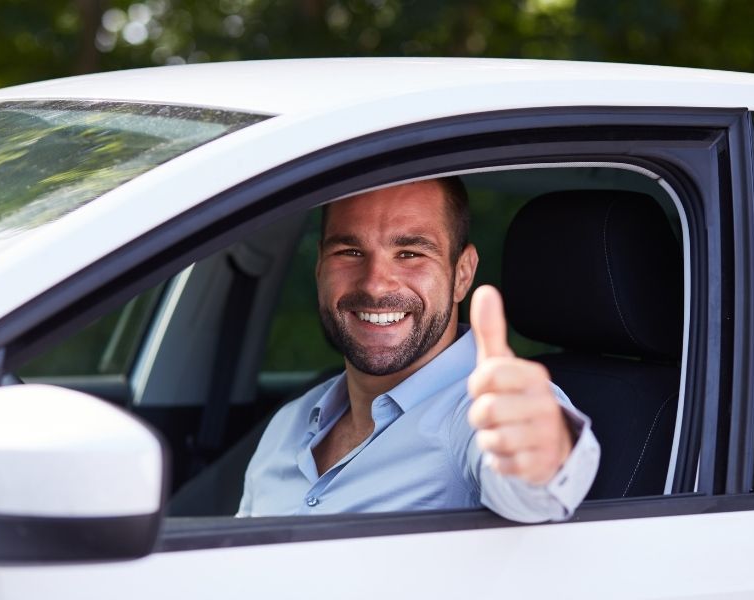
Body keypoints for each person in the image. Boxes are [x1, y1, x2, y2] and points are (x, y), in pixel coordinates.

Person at [237, 177, 599, 521]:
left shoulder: (478, 414)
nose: (376, 285)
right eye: (349, 251)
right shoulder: (290, 423)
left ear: (462, 274)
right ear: (319, 266)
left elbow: (534, 489)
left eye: (409, 253)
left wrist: (543, 454)